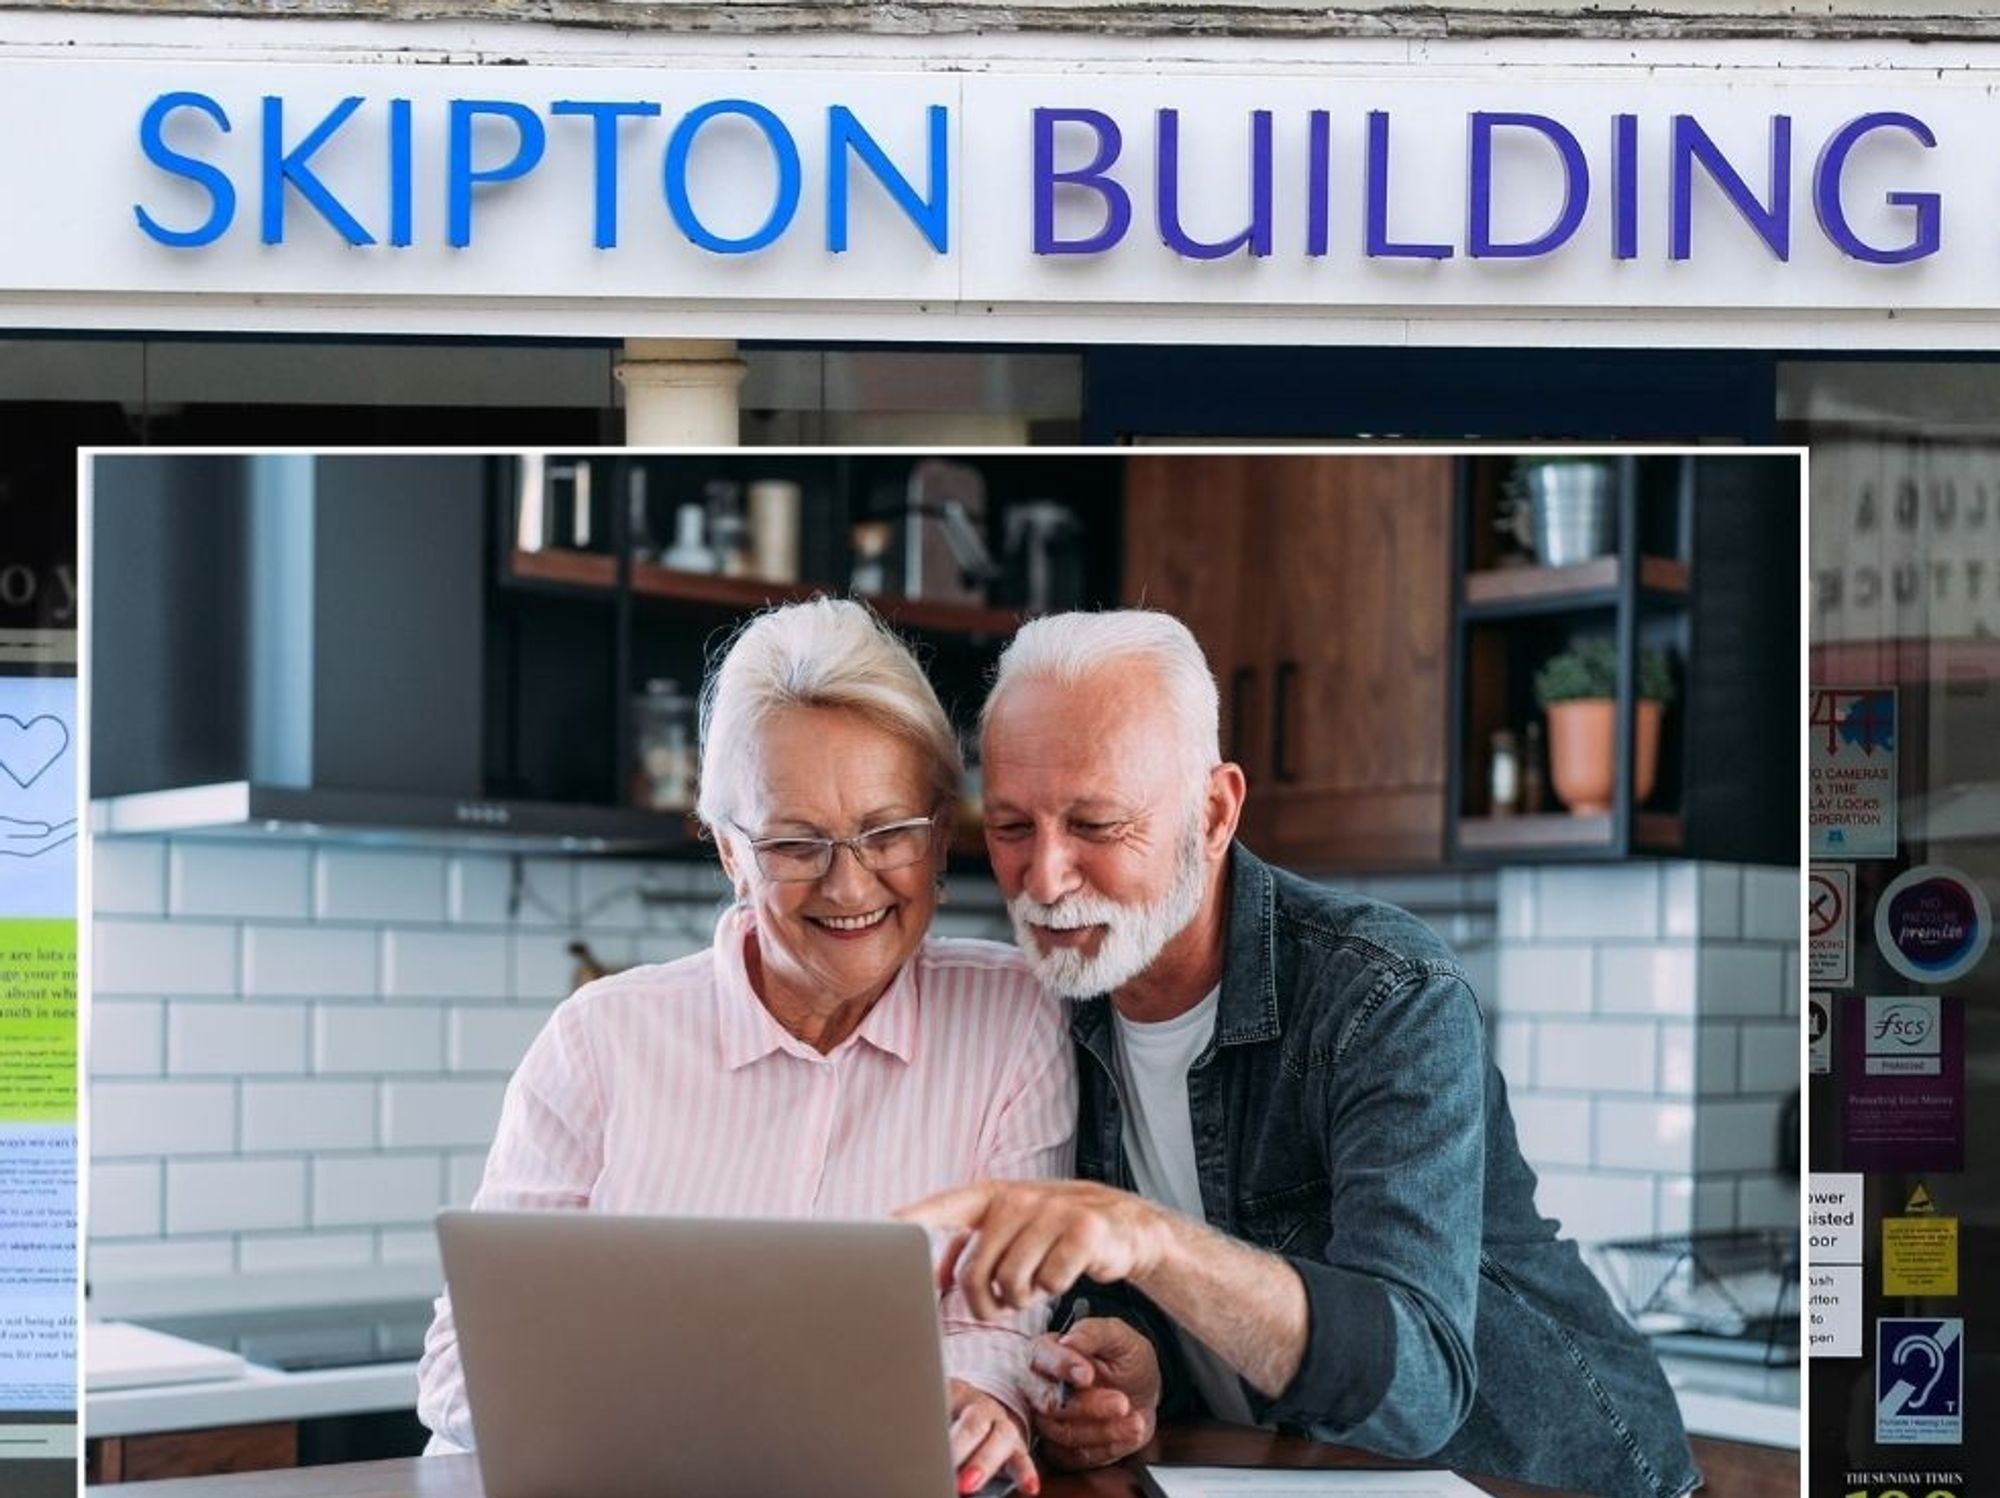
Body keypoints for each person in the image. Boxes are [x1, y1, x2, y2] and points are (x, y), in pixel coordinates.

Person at [898, 610, 1699, 1498]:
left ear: (1213, 812)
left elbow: (1420, 1387)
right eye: (1012, 828)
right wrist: (1142, 1362)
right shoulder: (1056, 1010)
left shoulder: (1386, 995)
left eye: (1095, 824)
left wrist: (1148, 1240)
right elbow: (1195, 1274)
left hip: (1548, 1480)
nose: (1045, 878)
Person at [419, 598, 1075, 1497]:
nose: (849, 884)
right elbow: (463, 1365)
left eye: (887, 833)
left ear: (937, 828)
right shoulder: (601, 1040)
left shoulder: (1014, 1019)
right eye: (796, 843)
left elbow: (1004, 1322)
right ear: (729, 849)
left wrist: (983, 1399)